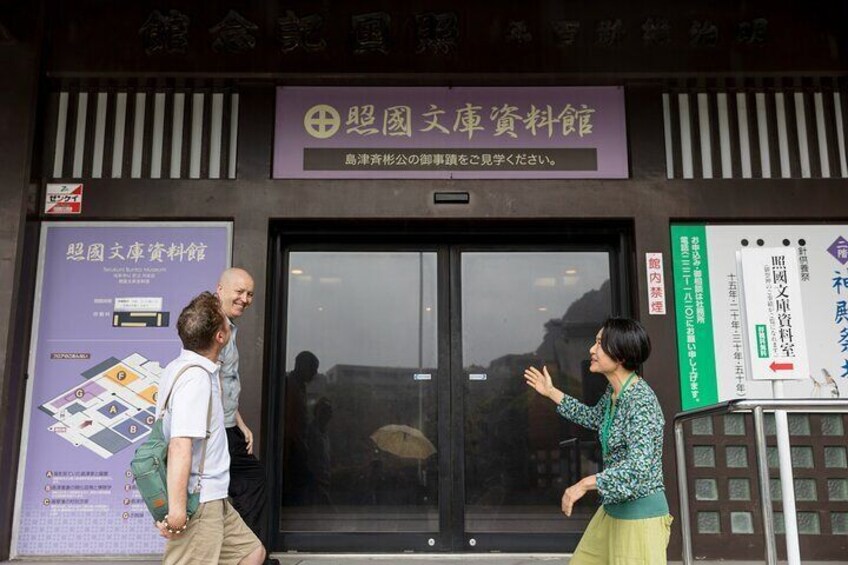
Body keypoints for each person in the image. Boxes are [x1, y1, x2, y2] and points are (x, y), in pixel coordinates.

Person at [523, 317, 672, 565]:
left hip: (639, 517)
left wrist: (584, 484)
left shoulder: (642, 402)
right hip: (612, 510)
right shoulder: (615, 394)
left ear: (620, 355)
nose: (592, 350)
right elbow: (594, 418)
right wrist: (551, 393)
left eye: (600, 344)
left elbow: (638, 469)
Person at [155, 291, 266, 565]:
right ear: (220, 337)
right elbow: (180, 444)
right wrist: (178, 510)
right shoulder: (196, 380)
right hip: (199, 499)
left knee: (251, 553)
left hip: (215, 496)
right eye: (225, 323)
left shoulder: (184, 368)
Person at [216, 268, 278, 564]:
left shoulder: (228, 327)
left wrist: (240, 424)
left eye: (250, 294)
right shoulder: (216, 329)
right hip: (215, 430)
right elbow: (208, 382)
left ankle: (249, 553)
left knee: (246, 483)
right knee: (248, 483)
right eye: (239, 292)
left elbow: (225, 384)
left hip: (227, 427)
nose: (245, 299)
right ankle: (249, 555)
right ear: (220, 289)